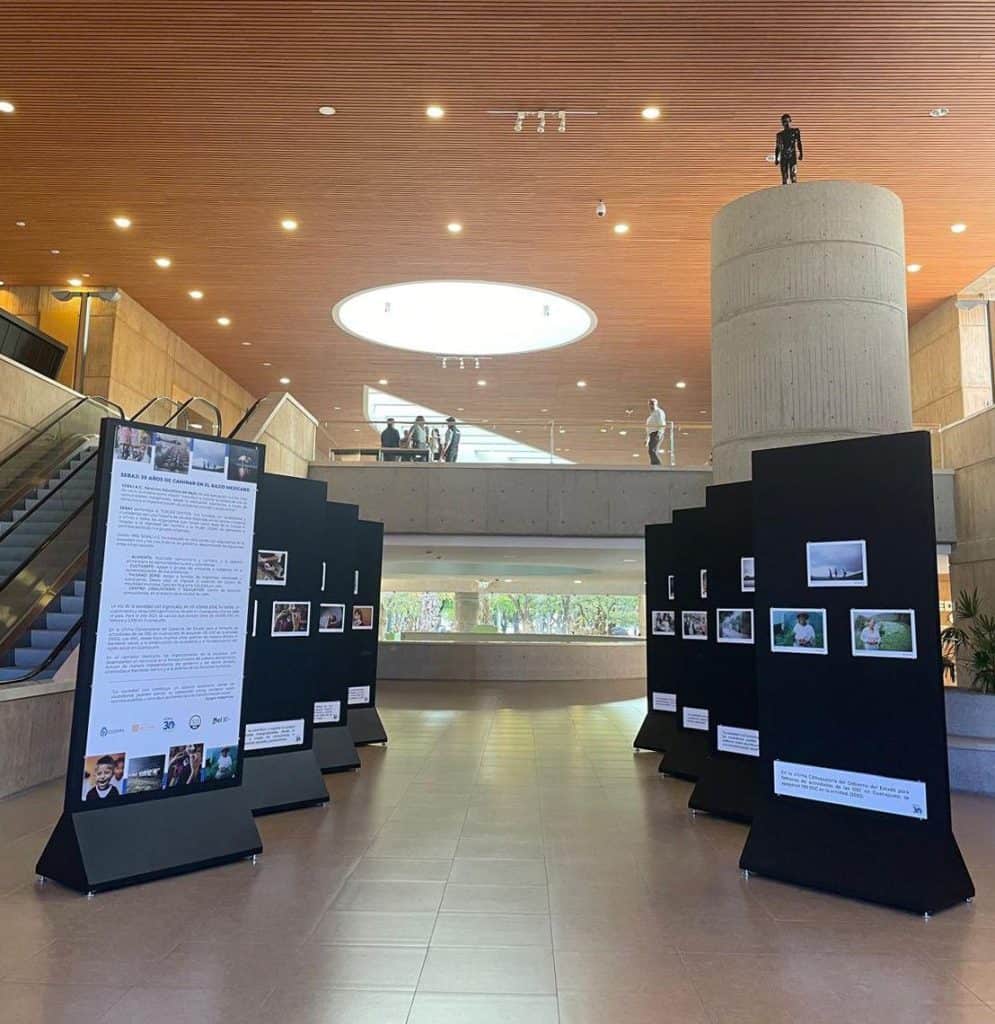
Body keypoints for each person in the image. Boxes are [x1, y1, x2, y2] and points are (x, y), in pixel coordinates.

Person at [775, 113, 803, 185]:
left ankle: (794, 192)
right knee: (784, 177)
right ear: (782, 123)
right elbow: (777, 146)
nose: (786, 123)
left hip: (792, 155)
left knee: (793, 175)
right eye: (784, 122)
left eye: (787, 121)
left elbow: (799, 142)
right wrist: (776, 158)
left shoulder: (795, 131)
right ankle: (784, 193)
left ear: (790, 121)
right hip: (783, 156)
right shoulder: (779, 134)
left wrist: (801, 153)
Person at [645, 399, 666, 466]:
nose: (651, 406)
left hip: (656, 433)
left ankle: (657, 465)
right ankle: (654, 464)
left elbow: (662, 423)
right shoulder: (650, 416)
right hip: (652, 434)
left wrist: (659, 434)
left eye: (652, 404)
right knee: (651, 450)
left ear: (656, 404)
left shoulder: (659, 412)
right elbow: (648, 429)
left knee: (652, 450)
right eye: (650, 404)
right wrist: (647, 439)